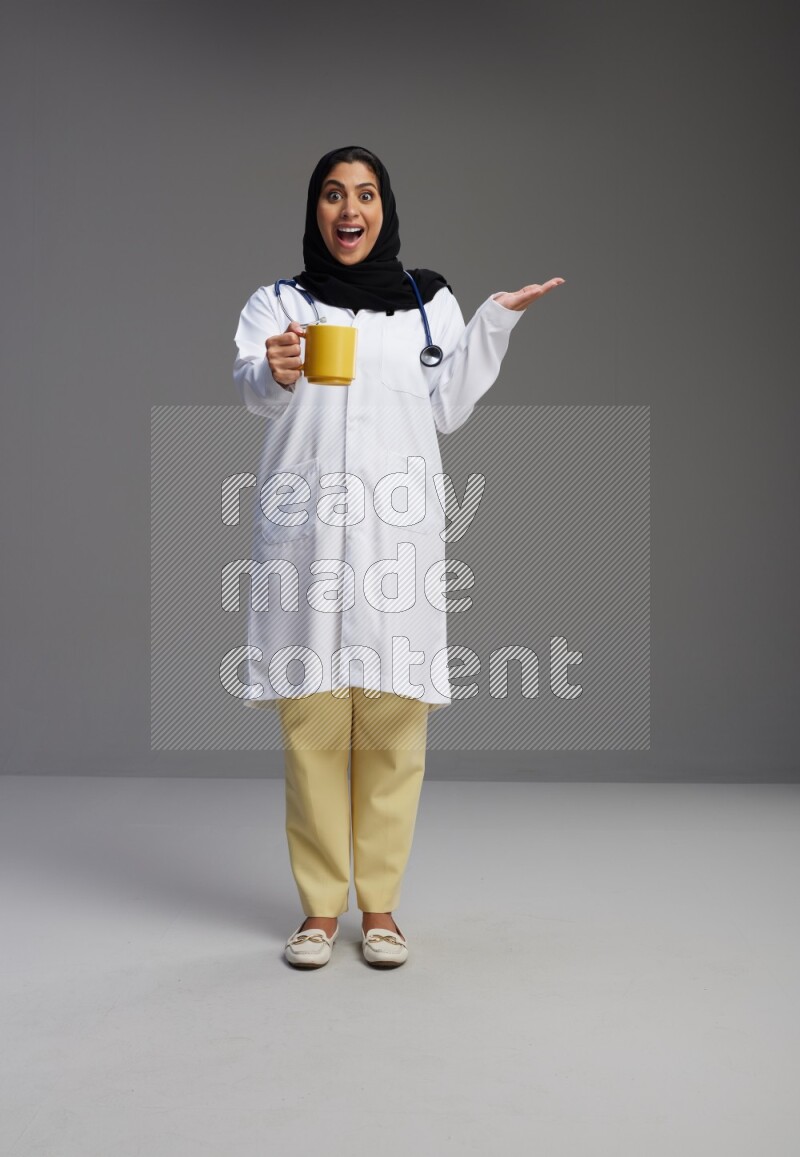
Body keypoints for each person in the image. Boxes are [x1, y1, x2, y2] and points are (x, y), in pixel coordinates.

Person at [232, 145, 564, 969]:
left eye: (366, 194)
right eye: (335, 195)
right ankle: (317, 912)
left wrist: (494, 321)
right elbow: (253, 387)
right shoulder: (278, 301)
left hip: (394, 537)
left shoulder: (427, 303)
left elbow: (447, 406)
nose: (351, 209)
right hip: (308, 536)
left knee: (390, 728)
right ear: (315, 210)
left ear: (385, 208)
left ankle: (378, 911)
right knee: (311, 728)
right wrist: (273, 371)